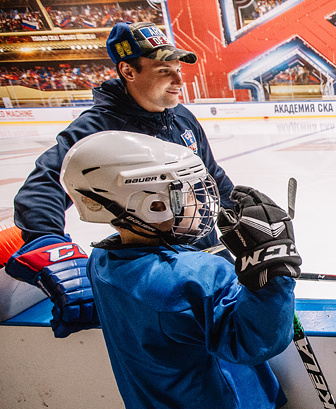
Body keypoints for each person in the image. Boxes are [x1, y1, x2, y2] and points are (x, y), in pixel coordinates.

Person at [58, 130, 303, 409]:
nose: (192, 202)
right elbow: (258, 341)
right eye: (177, 194)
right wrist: (272, 271)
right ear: (145, 203)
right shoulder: (199, 276)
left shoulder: (100, 262)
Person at [7, 20, 233, 339]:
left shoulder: (181, 116)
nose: (178, 79)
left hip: (203, 259)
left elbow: (211, 176)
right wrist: (54, 253)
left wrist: (245, 217)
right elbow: (42, 187)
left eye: (177, 68)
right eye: (163, 70)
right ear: (128, 71)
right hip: (154, 280)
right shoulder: (98, 128)